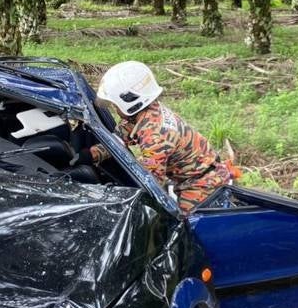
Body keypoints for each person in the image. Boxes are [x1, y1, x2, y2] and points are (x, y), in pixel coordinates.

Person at [76, 61, 239, 214]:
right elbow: (117, 141)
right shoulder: (145, 112)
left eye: (115, 105)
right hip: (194, 175)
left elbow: (151, 184)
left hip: (201, 184)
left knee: (183, 227)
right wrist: (89, 155)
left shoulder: (155, 133)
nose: (115, 109)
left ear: (130, 101)